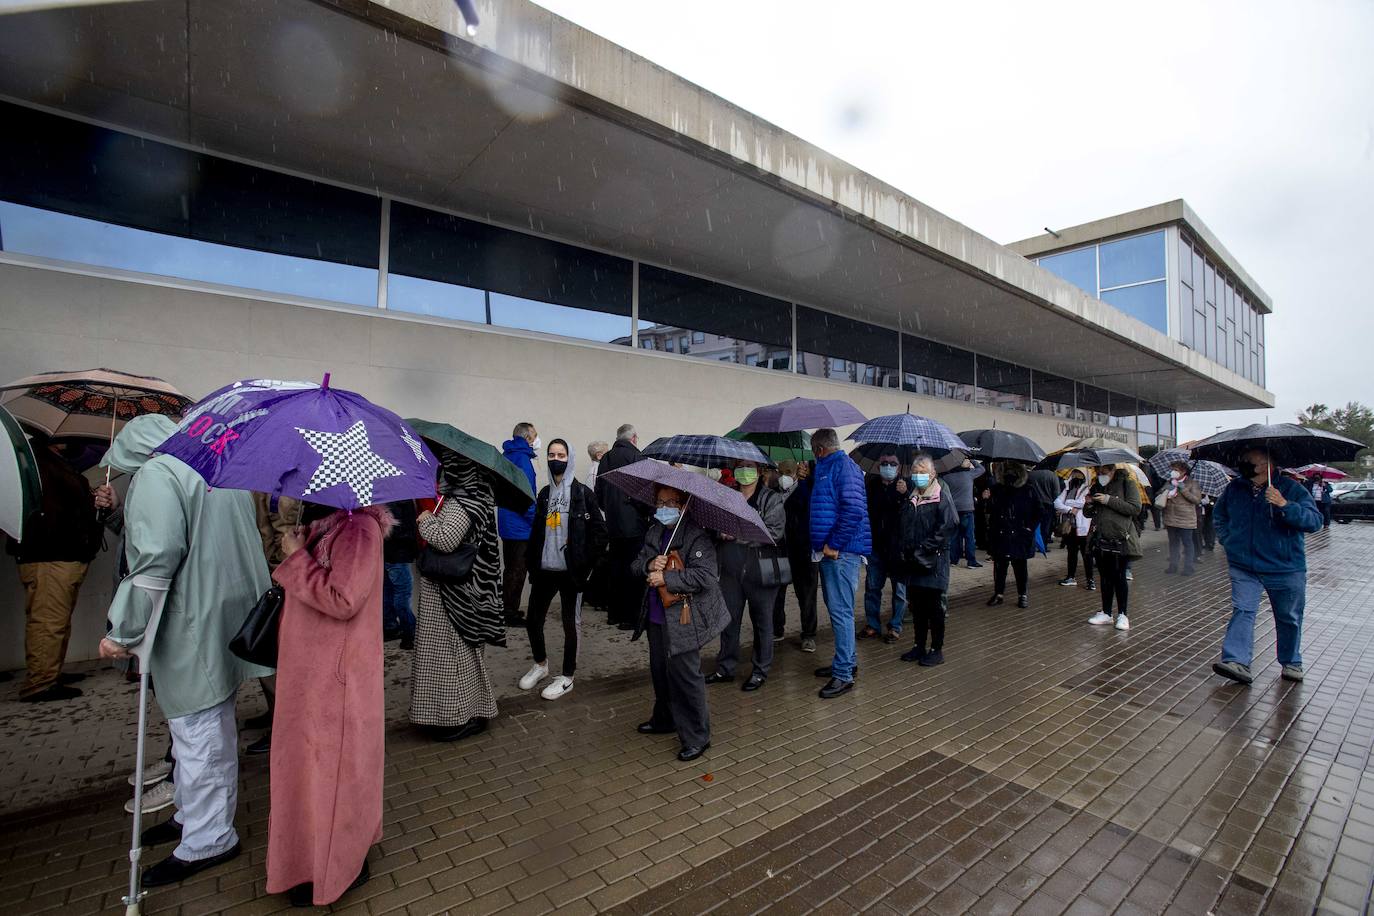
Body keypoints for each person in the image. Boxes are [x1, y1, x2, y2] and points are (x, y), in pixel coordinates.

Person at [99, 415, 272, 888]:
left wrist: (124, 629)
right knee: (212, 726)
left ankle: (208, 837)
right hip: (230, 615)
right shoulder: (216, 468)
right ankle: (194, 817)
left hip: (190, 621)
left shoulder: (159, 474)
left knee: (198, 734)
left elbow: (155, 558)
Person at [266, 502, 391, 907]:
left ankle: (335, 865)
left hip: (334, 680)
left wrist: (296, 558)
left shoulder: (359, 530)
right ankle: (305, 860)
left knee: (333, 777)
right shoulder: (330, 525)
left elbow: (344, 598)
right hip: (313, 678)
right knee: (307, 774)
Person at [410, 452, 504, 741]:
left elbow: (447, 540)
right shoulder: (474, 498)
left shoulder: (463, 502)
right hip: (462, 594)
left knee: (452, 658)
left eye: (448, 468)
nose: (443, 473)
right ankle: (464, 712)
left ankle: (457, 717)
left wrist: (425, 520)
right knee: (457, 656)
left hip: (453, 597)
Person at [633, 485, 730, 761]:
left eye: (671, 502)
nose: (664, 507)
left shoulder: (696, 536)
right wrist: (651, 564)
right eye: (660, 502)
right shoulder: (654, 532)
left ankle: (698, 736)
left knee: (686, 677)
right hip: (655, 617)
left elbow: (707, 577)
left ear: (684, 505)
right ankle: (664, 719)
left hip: (684, 619)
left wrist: (667, 579)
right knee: (660, 672)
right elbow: (635, 564)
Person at [1212, 448, 1323, 685]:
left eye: (1249, 461)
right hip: (1244, 565)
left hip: (1285, 567)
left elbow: (1315, 522)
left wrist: (1284, 504)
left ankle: (1291, 661)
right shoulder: (1235, 488)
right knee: (1243, 609)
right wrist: (1228, 540)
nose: (1243, 463)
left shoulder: (1292, 489)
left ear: (1265, 465)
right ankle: (1236, 661)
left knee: (1288, 617)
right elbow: (1219, 516)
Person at [7, 435, 102, 702]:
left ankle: (50, 672)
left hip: (61, 554)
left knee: (56, 620)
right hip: (49, 554)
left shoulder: (56, 462)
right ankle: (40, 683)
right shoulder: (38, 463)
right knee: (48, 621)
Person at [519, 439, 607, 700]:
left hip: (571, 572)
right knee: (533, 619)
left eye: (561, 454)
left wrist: (584, 561)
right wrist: (531, 563)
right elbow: (536, 533)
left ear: (570, 458)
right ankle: (540, 664)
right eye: (551, 454)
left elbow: (600, 535)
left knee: (571, 624)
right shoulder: (545, 493)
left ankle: (567, 676)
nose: (556, 458)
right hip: (545, 569)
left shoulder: (582, 494)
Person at [707, 458, 786, 690]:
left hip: (761, 570)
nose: (744, 472)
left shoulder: (771, 499)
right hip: (731, 570)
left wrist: (738, 535)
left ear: (759, 471)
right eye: (740, 467)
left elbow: (774, 533)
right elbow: (713, 525)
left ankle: (760, 670)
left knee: (762, 621)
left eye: (749, 467)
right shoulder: (727, 496)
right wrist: (719, 532)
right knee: (728, 620)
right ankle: (726, 668)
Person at [808, 428, 872, 699]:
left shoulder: (840, 467)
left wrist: (833, 544)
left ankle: (844, 674)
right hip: (834, 552)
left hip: (840, 553)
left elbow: (854, 510)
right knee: (839, 611)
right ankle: (846, 662)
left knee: (841, 612)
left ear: (820, 449)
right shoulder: (835, 467)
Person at [896, 454, 959, 666]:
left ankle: (936, 649)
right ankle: (919, 645)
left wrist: (925, 547)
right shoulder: (911, 497)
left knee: (934, 608)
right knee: (917, 606)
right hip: (914, 561)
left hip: (933, 561)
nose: (918, 476)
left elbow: (948, 526)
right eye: (916, 472)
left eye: (923, 472)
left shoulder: (941, 495)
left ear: (933, 474)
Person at [595, 424, 651, 629]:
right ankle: (631, 617)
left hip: (613, 524)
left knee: (615, 568)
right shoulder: (638, 459)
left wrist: (611, 510)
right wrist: (644, 513)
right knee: (634, 570)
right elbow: (645, 494)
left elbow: (598, 493)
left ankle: (614, 614)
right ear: (634, 438)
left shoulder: (606, 459)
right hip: (634, 525)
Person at [1084, 464, 1142, 631]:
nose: (1101, 474)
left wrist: (1108, 500)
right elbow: (1089, 513)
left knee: (1119, 577)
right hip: (1101, 537)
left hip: (1121, 538)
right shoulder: (1096, 485)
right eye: (1097, 471)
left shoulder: (1127, 483)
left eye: (1104, 471)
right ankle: (1106, 612)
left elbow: (1135, 508)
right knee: (1105, 577)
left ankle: (1123, 614)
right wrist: (1088, 504)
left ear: (1113, 470)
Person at [861, 451, 909, 643]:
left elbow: (911, 514)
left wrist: (904, 495)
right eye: (884, 463)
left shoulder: (906, 486)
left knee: (899, 591)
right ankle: (873, 624)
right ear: (878, 466)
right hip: (876, 546)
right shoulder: (871, 486)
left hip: (898, 548)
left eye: (892, 463)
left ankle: (895, 626)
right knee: (872, 588)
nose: (888, 466)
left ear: (898, 467)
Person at [772, 459, 820, 653]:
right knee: (776, 593)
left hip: (803, 548)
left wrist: (808, 479)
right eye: (781, 472)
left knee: (807, 594)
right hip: (780, 549)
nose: (785, 476)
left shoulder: (807, 488)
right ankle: (777, 629)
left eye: (789, 472)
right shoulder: (773, 493)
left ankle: (808, 635)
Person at [498, 422, 539, 627]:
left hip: (508, 521)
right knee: (518, 570)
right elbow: (527, 495)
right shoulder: (522, 459)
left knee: (511, 569)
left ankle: (508, 608)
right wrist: (536, 519)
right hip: (520, 525)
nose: (536, 440)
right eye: (534, 435)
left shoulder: (507, 456)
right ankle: (509, 613)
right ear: (527, 438)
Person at [985, 462, 1039, 607]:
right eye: (1006, 473)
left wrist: (1029, 528)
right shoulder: (996, 489)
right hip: (1001, 534)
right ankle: (999, 593)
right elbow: (990, 511)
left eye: (1013, 473)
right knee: (1000, 566)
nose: (1009, 476)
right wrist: (987, 499)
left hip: (1019, 535)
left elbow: (1039, 511)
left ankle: (1023, 594)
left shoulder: (1028, 489)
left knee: (1020, 566)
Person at [382, 499, 419, 648]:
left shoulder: (381, 495)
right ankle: (409, 631)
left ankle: (390, 626)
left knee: (388, 592)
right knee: (402, 593)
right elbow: (397, 530)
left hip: (386, 553)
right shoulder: (400, 499)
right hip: (398, 554)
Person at [1055, 471, 1095, 590]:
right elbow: (1056, 503)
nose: (1075, 478)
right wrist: (1069, 509)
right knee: (1071, 553)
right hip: (1070, 527)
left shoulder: (1088, 489)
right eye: (1074, 476)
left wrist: (1068, 502)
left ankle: (1090, 580)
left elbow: (1084, 502)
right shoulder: (1067, 489)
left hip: (1083, 528)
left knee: (1086, 555)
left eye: (1078, 476)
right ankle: (1071, 577)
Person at [1162, 461, 1202, 575]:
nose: (1173, 471)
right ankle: (1173, 565)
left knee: (1187, 544)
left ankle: (1188, 567)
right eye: (1172, 469)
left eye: (1176, 469)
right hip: (1171, 518)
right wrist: (1166, 489)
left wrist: (1183, 489)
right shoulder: (1169, 481)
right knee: (1173, 543)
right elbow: (1160, 494)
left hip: (1186, 520)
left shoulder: (1192, 483)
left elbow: (1196, 500)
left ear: (1184, 471)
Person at [944, 457, 982, 568]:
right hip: (967, 509)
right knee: (969, 536)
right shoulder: (969, 474)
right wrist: (972, 460)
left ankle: (953, 560)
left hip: (953, 509)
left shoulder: (947, 477)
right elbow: (982, 469)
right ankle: (971, 561)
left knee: (954, 536)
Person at [1028, 467, 1063, 550]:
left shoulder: (1030, 475)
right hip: (1048, 504)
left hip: (1033, 504)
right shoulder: (1053, 475)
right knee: (1046, 526)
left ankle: (1031, 544)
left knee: (1033, 524)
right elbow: (1056, 492)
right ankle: (1043, 546)